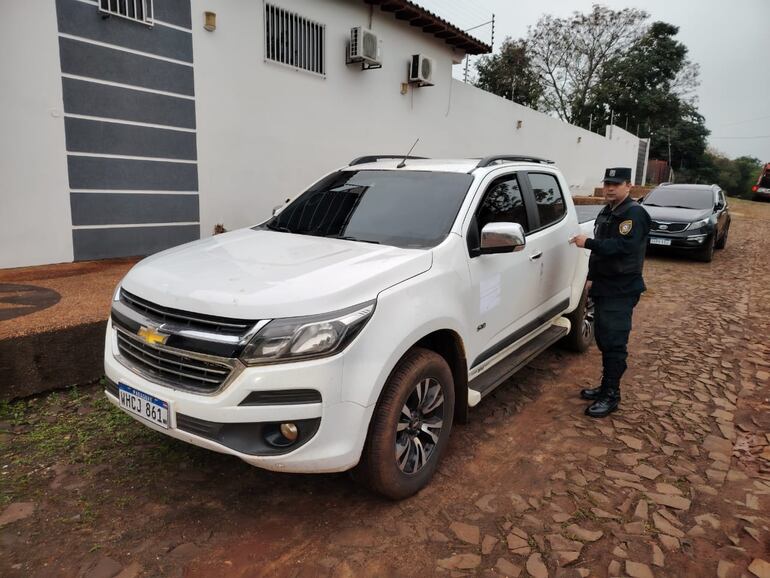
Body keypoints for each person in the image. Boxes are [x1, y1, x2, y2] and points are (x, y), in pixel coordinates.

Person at [569, 167, 651, 418]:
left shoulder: (634, 214)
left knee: (614, 342)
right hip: (605, 285)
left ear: (629, 185)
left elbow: (623, 248)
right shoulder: (609, 210)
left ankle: (612, 395)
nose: (610, 188)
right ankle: (605, 386)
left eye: (616, 184)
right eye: (607, 184)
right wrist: (591, 278)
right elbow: (600, 255)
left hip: (621, 288)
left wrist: (588, 242)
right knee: (604, 338)